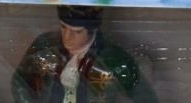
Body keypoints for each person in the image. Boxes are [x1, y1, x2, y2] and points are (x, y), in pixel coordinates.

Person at [12, 6, 156, 103]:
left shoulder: (114, 59)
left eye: (77, 32)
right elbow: (19, 82)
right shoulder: (45, 45)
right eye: (63, 27)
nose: (67, 37)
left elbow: (145, 97)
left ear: (91, 30)